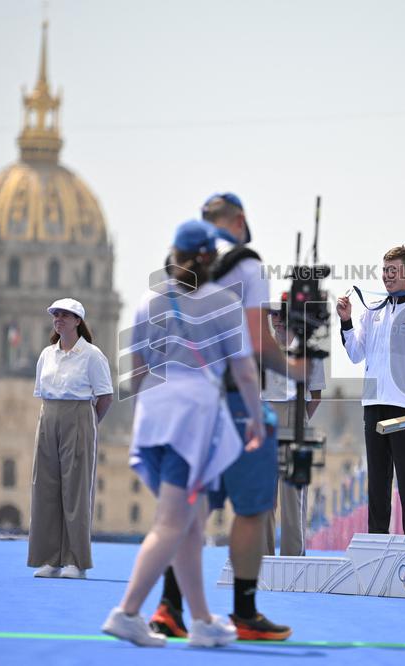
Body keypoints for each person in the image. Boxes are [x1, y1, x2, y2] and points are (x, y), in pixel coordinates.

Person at [150, 193, 308, 641]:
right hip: (234, 400)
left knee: (191, 507)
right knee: (253, 508)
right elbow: (257, 340)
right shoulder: (247, 264)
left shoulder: (177, 264)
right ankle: (244, 611)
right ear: (239, 221)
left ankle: (170, 607)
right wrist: (295, 366)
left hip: (184, 398)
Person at [103, 219, 262, 647]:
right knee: (173, 522)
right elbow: (245, 371)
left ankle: (203, 620)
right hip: (193, 420)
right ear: (209, 257)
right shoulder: (224, 303)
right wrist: (255, 419)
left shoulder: (146, 301)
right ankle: (128, 611)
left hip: (153, 414)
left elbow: (135, 371)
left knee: (192, 524)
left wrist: (148, 412)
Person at [336, 245, 405, 536]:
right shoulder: (372, 312)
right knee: (378, 483)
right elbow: (356, 354)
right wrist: (346, 320)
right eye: (385, 270)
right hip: (373, 405)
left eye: (394, 271)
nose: (388, 276)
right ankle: (376, 544)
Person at [28, 297, 113, 580]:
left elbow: (105, 396)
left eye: (66, 315)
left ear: (78, 321)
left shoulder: (92, 355)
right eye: (56, 315)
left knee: (75, 491)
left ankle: (75, 560)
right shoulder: (46, 355)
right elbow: (42, 392)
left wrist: (88, 424)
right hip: (49, 416)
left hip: (78, 415)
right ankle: (50, 558)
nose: (59, 319)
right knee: (46, 489)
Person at [262, 307, 325, 556]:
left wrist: (300, 420)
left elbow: (316, 396)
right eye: (273, 314)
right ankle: (263, 558)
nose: (277, 319)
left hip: (296, 414)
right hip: (265, 417)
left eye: (282, 314)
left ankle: (293, 559)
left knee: (294, 496)